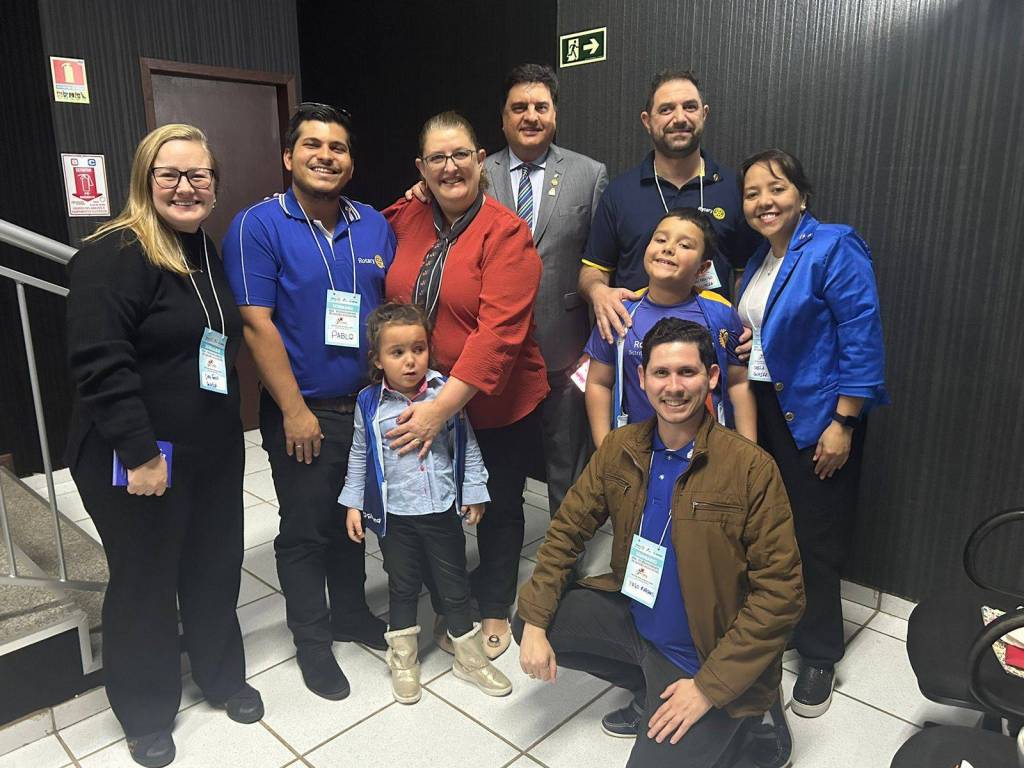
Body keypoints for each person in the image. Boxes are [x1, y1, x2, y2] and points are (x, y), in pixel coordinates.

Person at [516, 318, 804, 768]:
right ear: (642, 377)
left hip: (704, 654)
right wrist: (535, 624)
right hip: (636, 618)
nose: (673, 387)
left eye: (687, 372)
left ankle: (748, 710)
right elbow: (567, 531)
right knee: (532, 619)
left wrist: (708, 687)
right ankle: (650, 687)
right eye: (661, 373)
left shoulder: (751, 468)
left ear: (711, 377)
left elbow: (782, 595)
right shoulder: (621, 448)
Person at [66, 124, 261, 768]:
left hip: (209, 449)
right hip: (136, 457)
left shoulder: (201, 248)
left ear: (214, 184)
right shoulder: (114, 254)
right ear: (144, 181)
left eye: (199, 174)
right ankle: (146, 710)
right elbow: (100, 363)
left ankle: (221, 676)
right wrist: (140, 453)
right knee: (146, 581)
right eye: (170, 174)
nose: (185, 186)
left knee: (214, 565)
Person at [222, 103, 396, 701]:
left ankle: (350, 613)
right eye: (313, 145)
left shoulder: (373, 224)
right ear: (288, 156)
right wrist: (294, 410)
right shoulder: (257, 225)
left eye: (338, 147)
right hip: (304, 409)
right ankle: (313, 642)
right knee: (305, 531)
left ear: (351, 161)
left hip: (366, 405)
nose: (326, 156)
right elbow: (256, 325)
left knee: (351, 521)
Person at [383, 111, 549, 660]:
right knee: (436, 503)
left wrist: (441, 409)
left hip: (495, 401)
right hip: (422, 395)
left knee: (497, 505)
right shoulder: (407, 217)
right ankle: (452, 599)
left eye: (460, 155)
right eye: (437, 159)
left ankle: (496, 603)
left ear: (481, 161)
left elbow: (497, 335)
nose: (450, 167)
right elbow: (367, 232)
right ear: (421, 168)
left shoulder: (507, 232)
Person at [735, 148, 888, 718]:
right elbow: (770, 331)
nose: (764, 202)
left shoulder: (833, 245)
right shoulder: (760, 258)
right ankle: (782, 627)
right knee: (772, 532)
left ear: (802, 195)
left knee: (814, 540)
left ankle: (820, 653)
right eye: (752, 194)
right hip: (767, 412)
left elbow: (860, 334)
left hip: (819, 416)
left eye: (776, 189)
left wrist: (844, 422)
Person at [340, 301, 512, 703]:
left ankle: (469, 659)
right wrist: (353, 503)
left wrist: (474, 491)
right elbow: (360, 454)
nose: (410, 361)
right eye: (397, 352)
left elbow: (466, 444)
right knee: (402, 586)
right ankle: (403, 660)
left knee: (454, 586)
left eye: (418, 349)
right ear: (377, 359)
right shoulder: (369, 403)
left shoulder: (444, 393)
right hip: (395, 517)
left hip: (441, 511)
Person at [483, 63, 609, 517]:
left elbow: (601, 263)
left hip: (565, 345)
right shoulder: (477, 173)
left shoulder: (589, 174)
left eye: (541, 106)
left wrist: (598, 346)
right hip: (496, 347)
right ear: (503, 118)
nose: (530, 116)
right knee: (500, 467)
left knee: (567, 462)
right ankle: (501, 553)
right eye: (519, 107)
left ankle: (566, 553)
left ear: (555, 115)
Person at [580, 69, 761, 345]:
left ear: (704, 114)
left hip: (711, 346)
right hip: (633, 343)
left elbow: (745, 272)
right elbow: (593, 269)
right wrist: (597, 292)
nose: (679, 118)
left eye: (690, 107)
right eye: (666, 109)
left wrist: (745, 322)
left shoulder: (734, 189)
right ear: (647, 120)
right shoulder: (620, 192)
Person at [584, 208, 755, 447]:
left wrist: (748, 451)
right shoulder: (619, 312)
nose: (668, 248)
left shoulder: (721, 313)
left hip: (707, 450)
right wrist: (605, 449)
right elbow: (598, 383)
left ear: (703, 268)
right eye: (660, 239)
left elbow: (738, 383)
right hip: (635, 450)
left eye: (684, 245)